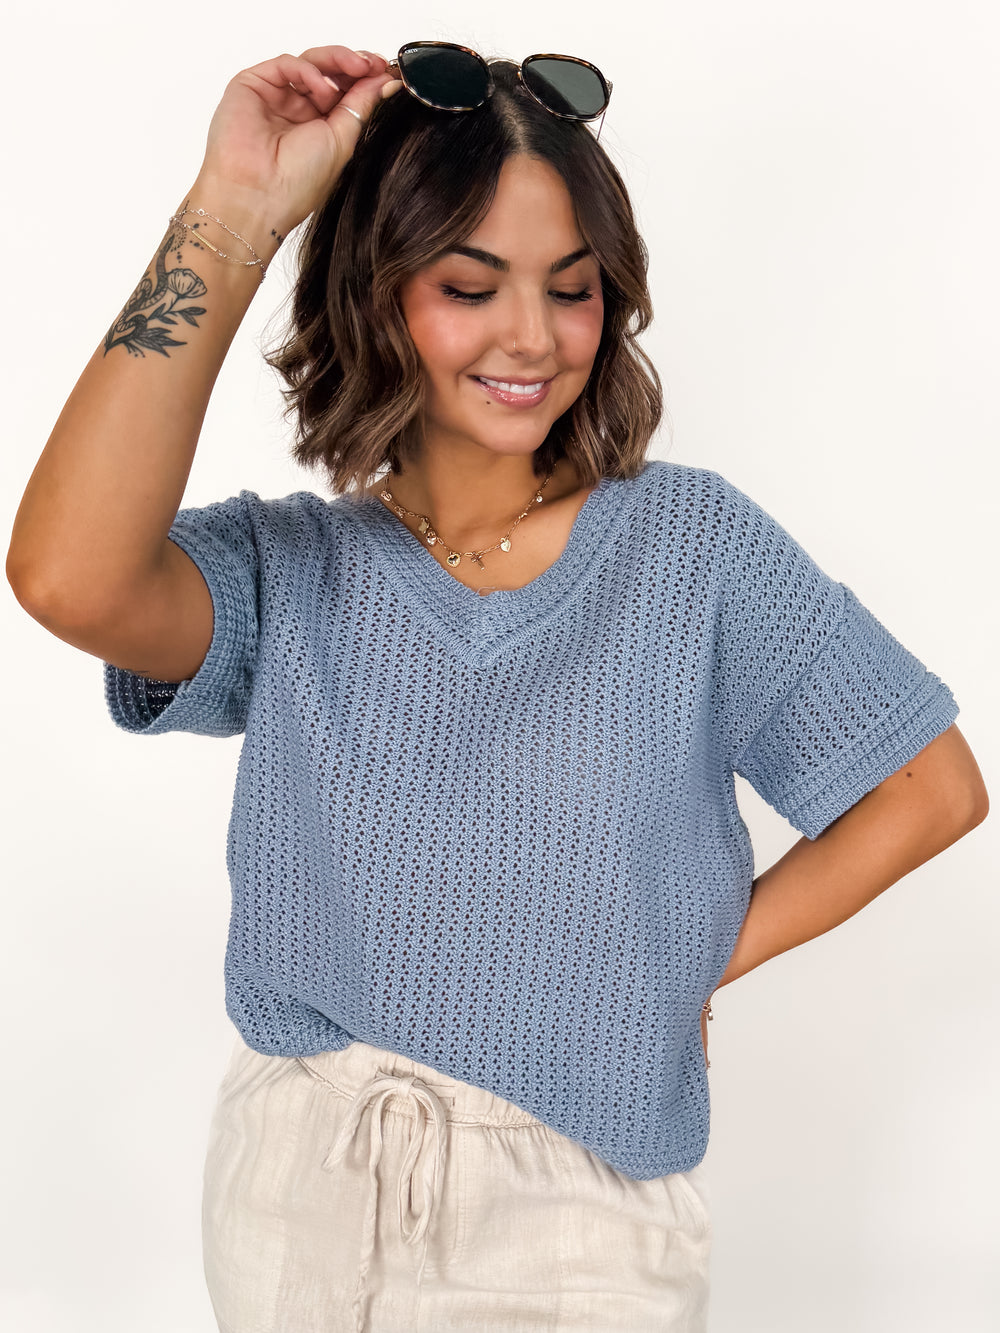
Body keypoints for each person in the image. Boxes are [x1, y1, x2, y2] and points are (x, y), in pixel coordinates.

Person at [6, 40, 988, 1333]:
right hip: (300, 1184)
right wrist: (232, 209)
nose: (532, 334)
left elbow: (929, 788)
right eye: (470, 286)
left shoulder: (691, 551)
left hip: (577, 1209)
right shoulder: (288, 573)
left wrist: (685, 959)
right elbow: (65, 575)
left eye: (571, 289)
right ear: (376, 297)